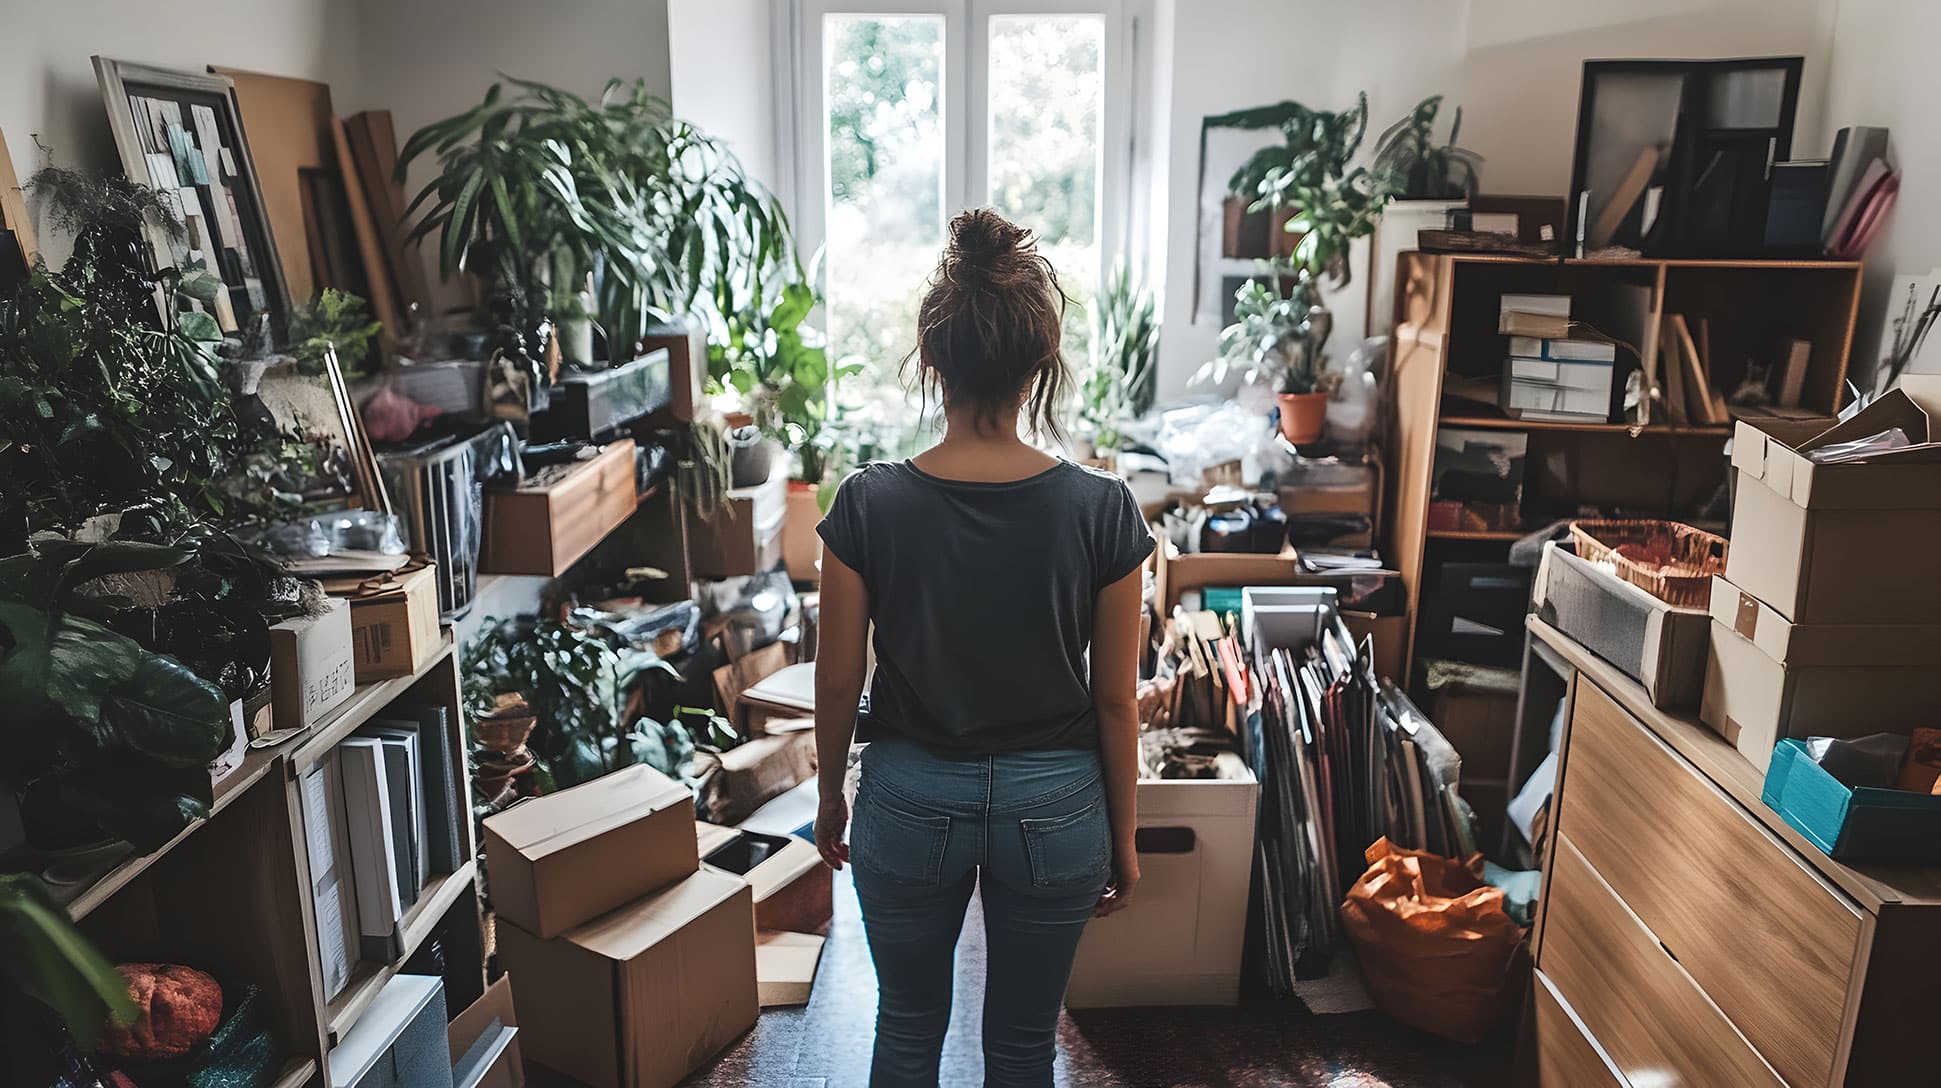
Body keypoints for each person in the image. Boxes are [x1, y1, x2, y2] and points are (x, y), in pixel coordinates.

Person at [812, 208, 1154, 1088]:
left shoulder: (867, 503)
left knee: (907, 1027)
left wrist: (826, 798)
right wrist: (1122, 835)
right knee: (1020, 1046)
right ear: (1041, 360)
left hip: (908, 794)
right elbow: (1116, 700)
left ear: (933, 359)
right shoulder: (1103, 509)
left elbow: (838, 676)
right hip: (1058, 805)